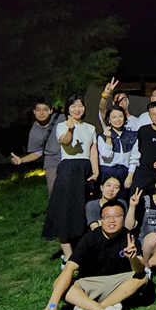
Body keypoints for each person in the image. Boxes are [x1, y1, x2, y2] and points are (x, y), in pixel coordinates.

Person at [43, 200, 147, 310]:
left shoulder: (129, 237)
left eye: (117, 216)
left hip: (119, 284)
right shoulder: (89, 239)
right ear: (101, 220)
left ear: (123, 219)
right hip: (90, 284)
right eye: (107, 217)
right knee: (58, 284)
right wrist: (52, 305)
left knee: (143, 278)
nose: (112, 220)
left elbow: (140, 269)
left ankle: (88, 309)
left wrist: (133, 258)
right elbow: (69, 268)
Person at [42, 94, 99, 262]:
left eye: (80, 105)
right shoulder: (62, 125)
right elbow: (65, 142)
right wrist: (71, 129)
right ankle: (68, 256)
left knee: (84, 209)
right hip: (68, 169)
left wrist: (95, 172)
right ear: (68, 109)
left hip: (85, 169)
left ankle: (84, 248)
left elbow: (93, 151)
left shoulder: (90, 128)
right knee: (65, 210)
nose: (77, 109)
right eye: (73, 106)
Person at [11, 98, 65, 196]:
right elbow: (38, 152)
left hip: (69, 160)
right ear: (34, 112)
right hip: (52, 165)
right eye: (38, 110)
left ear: (51, 111)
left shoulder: (61, 118)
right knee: (55, 195)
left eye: (45, 109)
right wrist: (22, 160)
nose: (41, 113)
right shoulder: (34, 132)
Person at [96, 105, 137, 203]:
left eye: (120, 116)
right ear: (109, 120)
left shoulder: (133, 135)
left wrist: (130, 176)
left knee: (122, 201)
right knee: (106, 200)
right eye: (114, 117)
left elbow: (135, 157)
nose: (117, 120)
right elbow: (106, 156)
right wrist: (108, 139)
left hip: (125, 171)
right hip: (108, 170)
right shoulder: (102, 136)